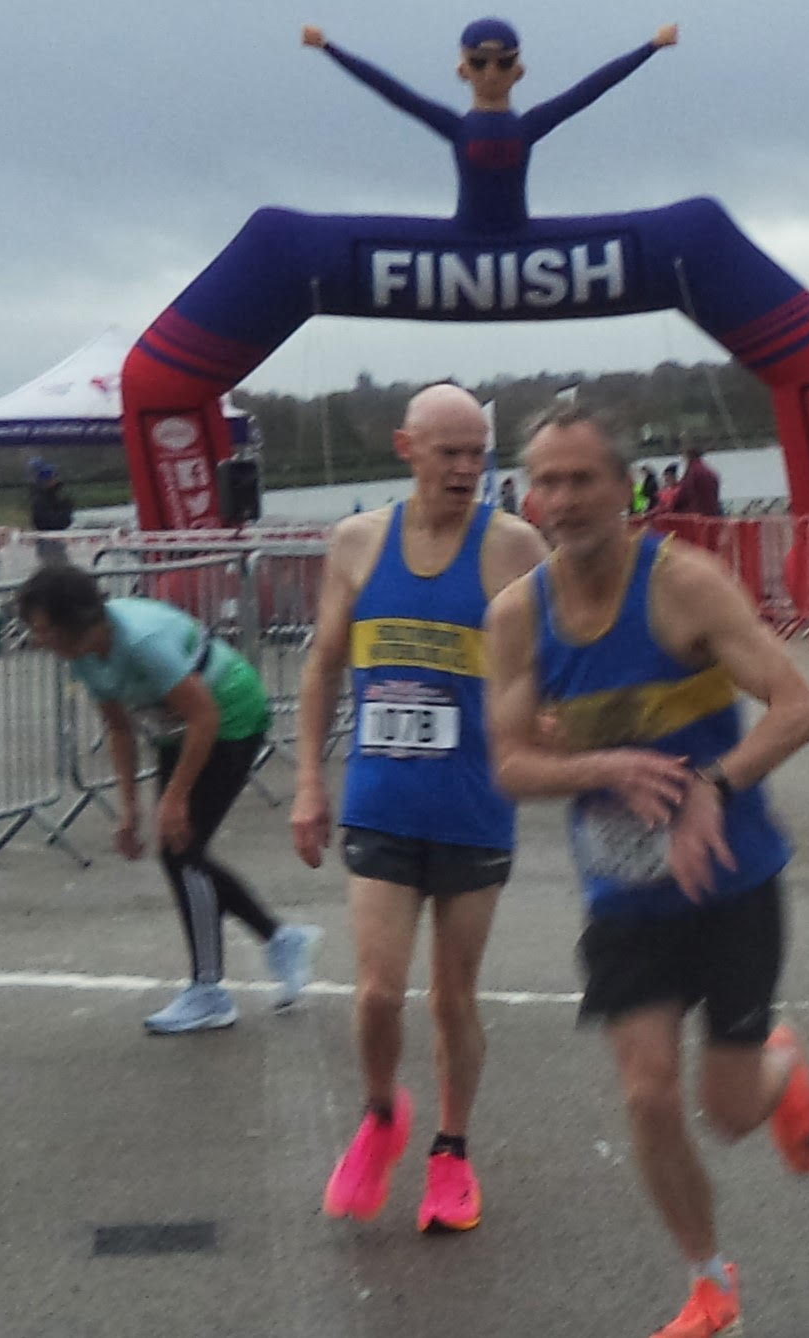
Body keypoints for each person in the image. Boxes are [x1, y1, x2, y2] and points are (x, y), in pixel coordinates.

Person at [485, 406, 809, 1338]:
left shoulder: (685, 586)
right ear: (526, 494)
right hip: (624, 892)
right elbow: (510, 766)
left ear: (623, 489)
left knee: (725, 1114)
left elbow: (797, 708)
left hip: (732, 878)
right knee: (645, 1093)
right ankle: (708, 1282)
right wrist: (598, 768)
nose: (560, 501)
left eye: (581, 480)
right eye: (544, 482)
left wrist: (714, 785)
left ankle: (780, 1063)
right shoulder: (517, 617)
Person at [291, 383, 547, 1234]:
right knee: (374, 992)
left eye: (480, 452)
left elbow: (561, 656)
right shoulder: (358, 544)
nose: (469, 469)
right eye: (450, 453)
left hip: (475, 804)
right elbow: (323, 666)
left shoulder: (515, 547)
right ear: (407, 448)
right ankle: (378, 1115)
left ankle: (450, 1152)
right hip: (381, 800)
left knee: (451, 999)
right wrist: (307, 781)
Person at [16, 563, 322, 1032]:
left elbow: (205, 716)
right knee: (181, 852)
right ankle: (279, 939)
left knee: (183, 852)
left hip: (230, 714)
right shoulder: (80, 654)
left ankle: (209, 991)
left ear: (74, 620)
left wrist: (175, 798)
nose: (37, 639)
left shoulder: (140, 642)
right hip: (176, 728)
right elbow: (118, 727)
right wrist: (129, 809)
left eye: (42, 628)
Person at [303, 18, 678, 235]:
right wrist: (329, 48)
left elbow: (591, 89)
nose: (492, 72)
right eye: (480, 63)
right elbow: (391, 90)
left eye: (502, 62)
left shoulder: (526, 125)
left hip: (519, 235)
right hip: (468, 234)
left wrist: (650, 47)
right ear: (463, 70)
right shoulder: (459, 126)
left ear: (519, 70)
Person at [29, 460, 74, 564]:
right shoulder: (40, 500)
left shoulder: (54, 497)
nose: (55, 480)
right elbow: (45, 522)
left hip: (56, 543)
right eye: (53, 477)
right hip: (48, 544)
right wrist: (65, 512)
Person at [669, 443, 722, 516]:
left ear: (689, 456)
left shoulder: (692, 472)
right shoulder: (710, 472)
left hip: (696, 515)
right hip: (713, 514)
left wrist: (671, 505)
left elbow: (683, 493)